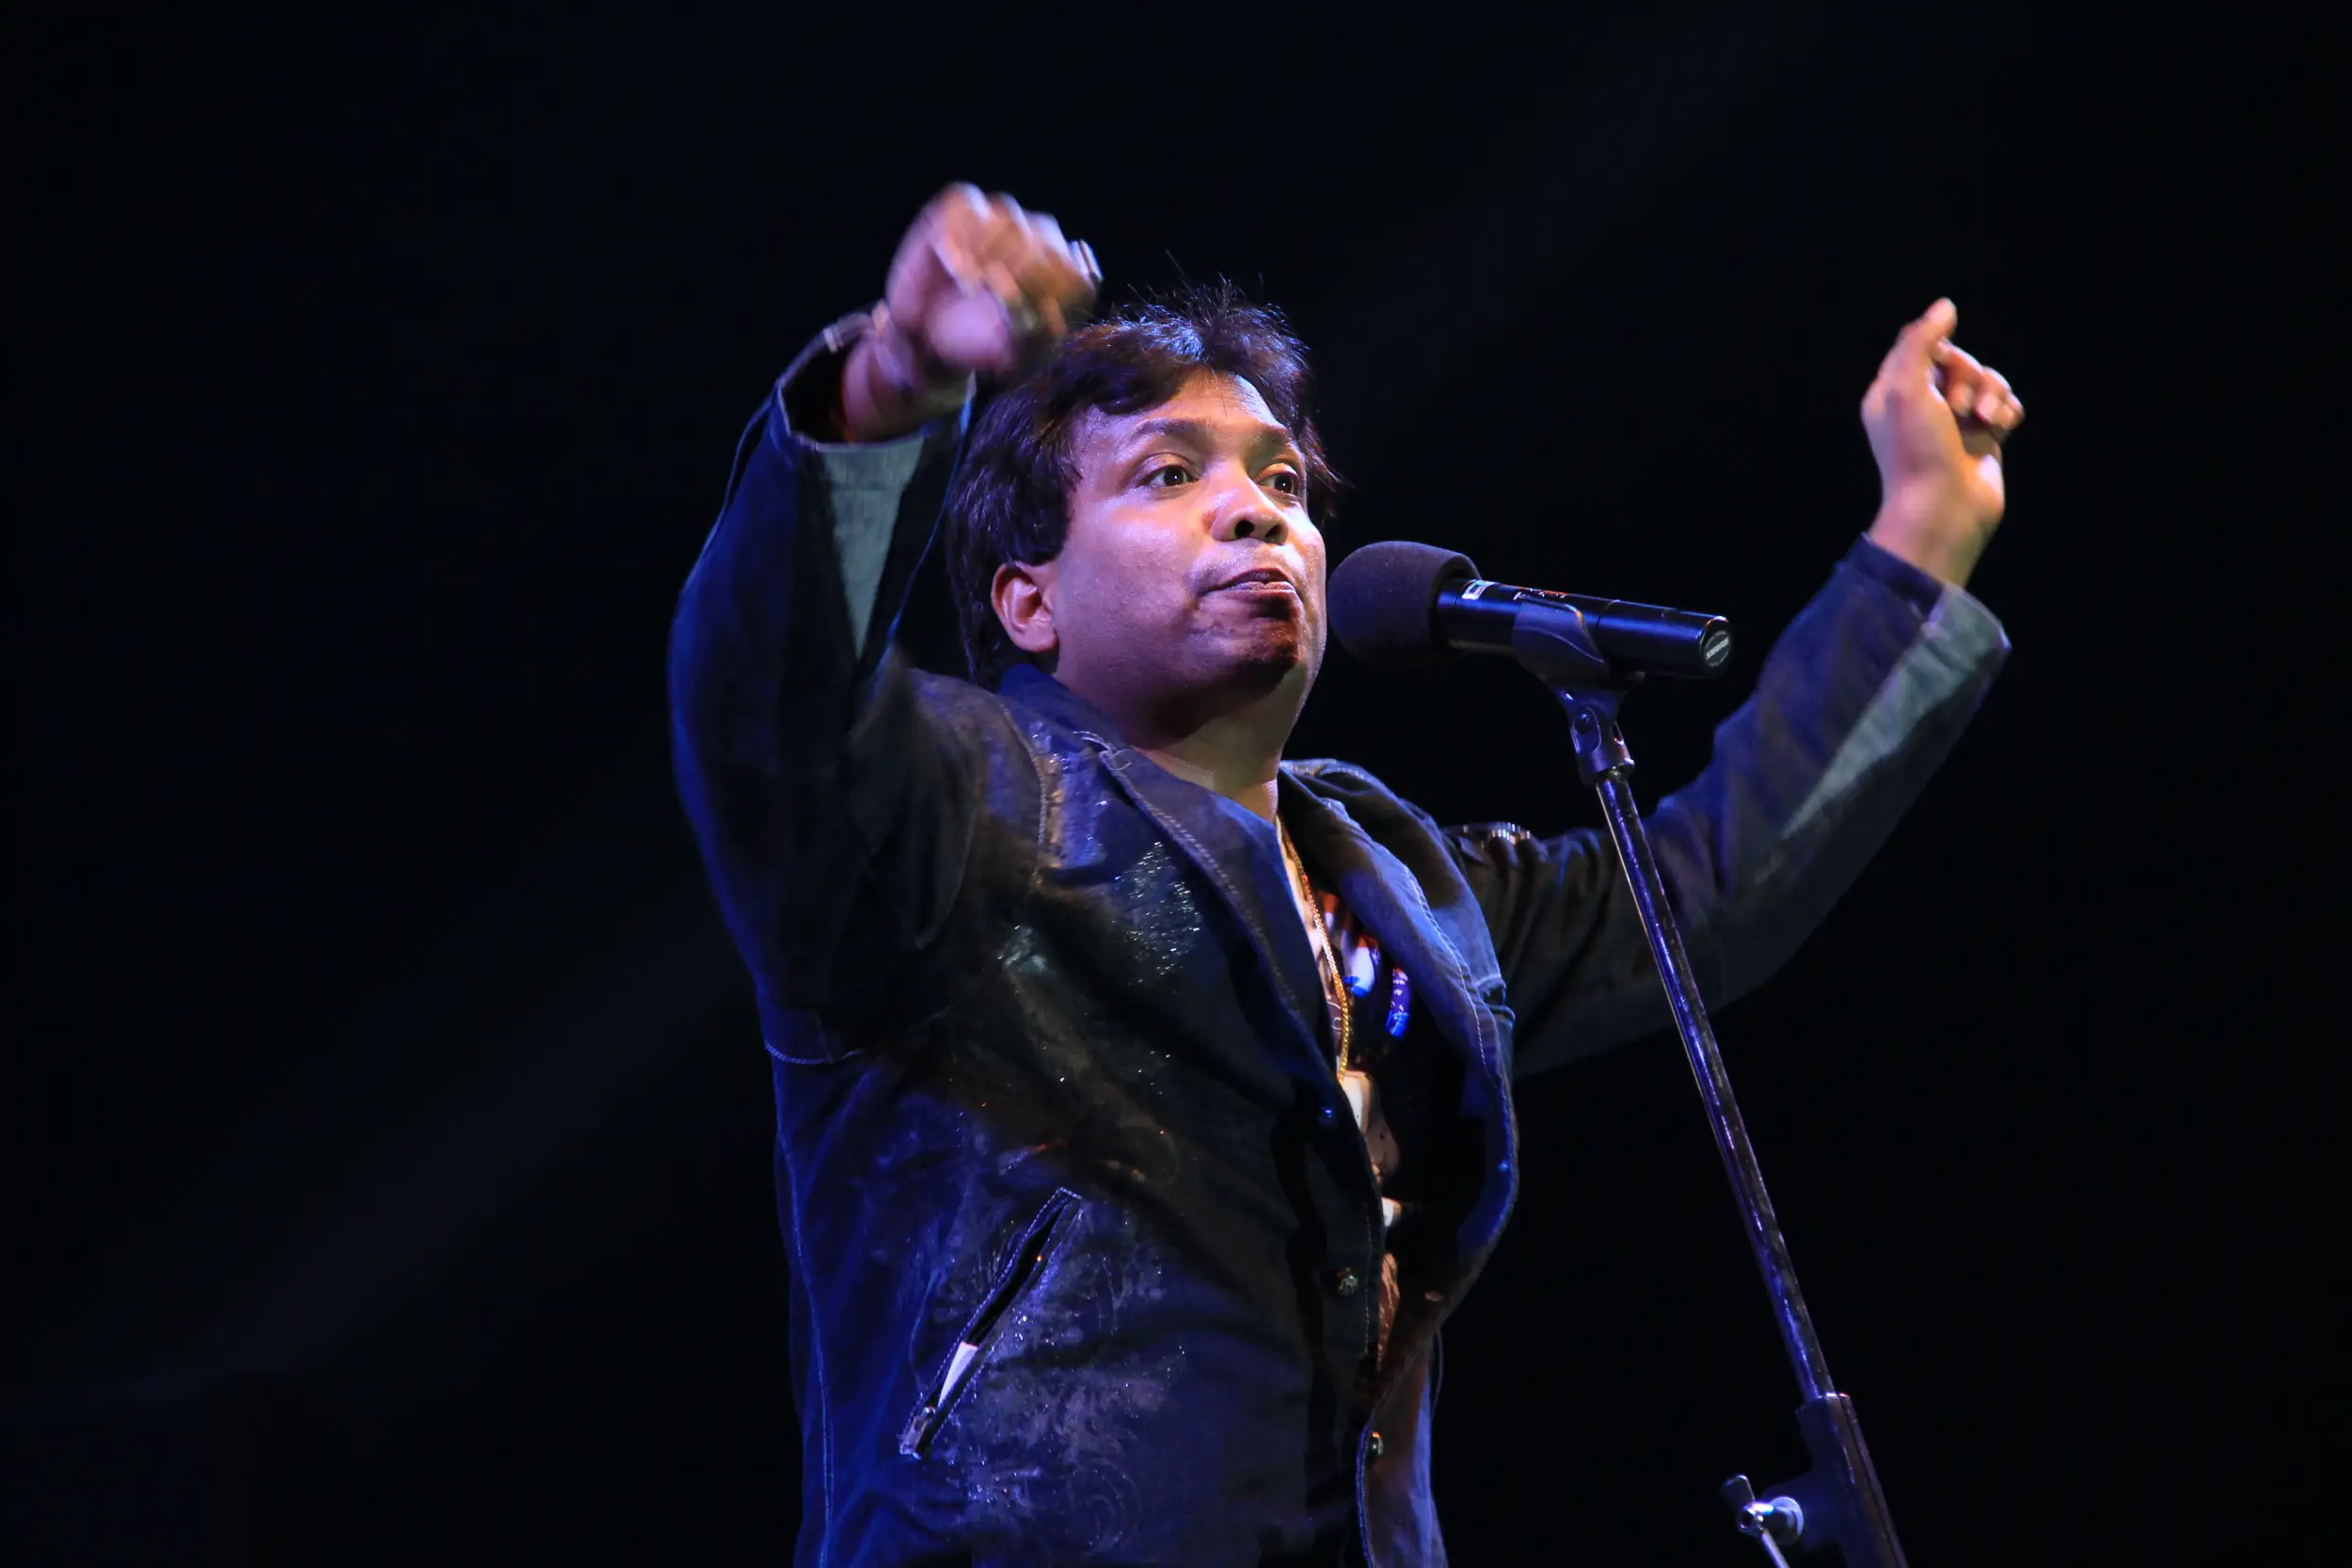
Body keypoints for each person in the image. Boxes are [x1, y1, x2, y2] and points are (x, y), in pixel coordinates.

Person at [668, 183, 2020, 1567]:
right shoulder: (943, 817)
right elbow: (763, 691)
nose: (1254, 514)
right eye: (1167, 473)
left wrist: (1925, 533)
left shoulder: (1400, 881)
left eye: (1281, 480)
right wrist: (892, 382)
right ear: (1027, 599)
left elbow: (1700, 898)